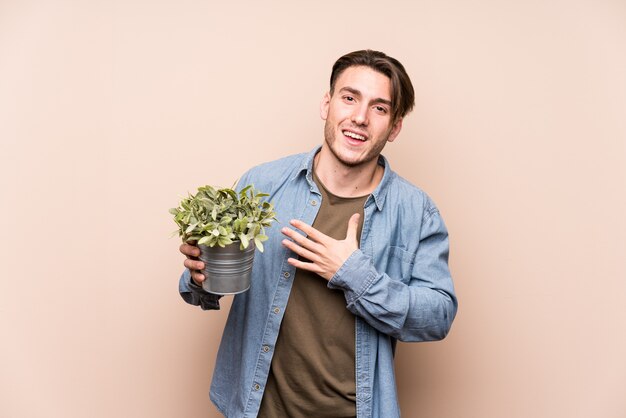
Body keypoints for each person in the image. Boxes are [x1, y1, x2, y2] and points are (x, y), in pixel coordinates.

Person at [178, 49, 458, 418]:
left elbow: (438, 315)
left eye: (379, 108)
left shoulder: (416, 212)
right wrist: (201, 276)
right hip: (255, 409)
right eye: (349, 98)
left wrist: (355, 274)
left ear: (394, 127)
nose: (359, 117)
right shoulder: (262, 184)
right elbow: (206, 287)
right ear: (327, 104)